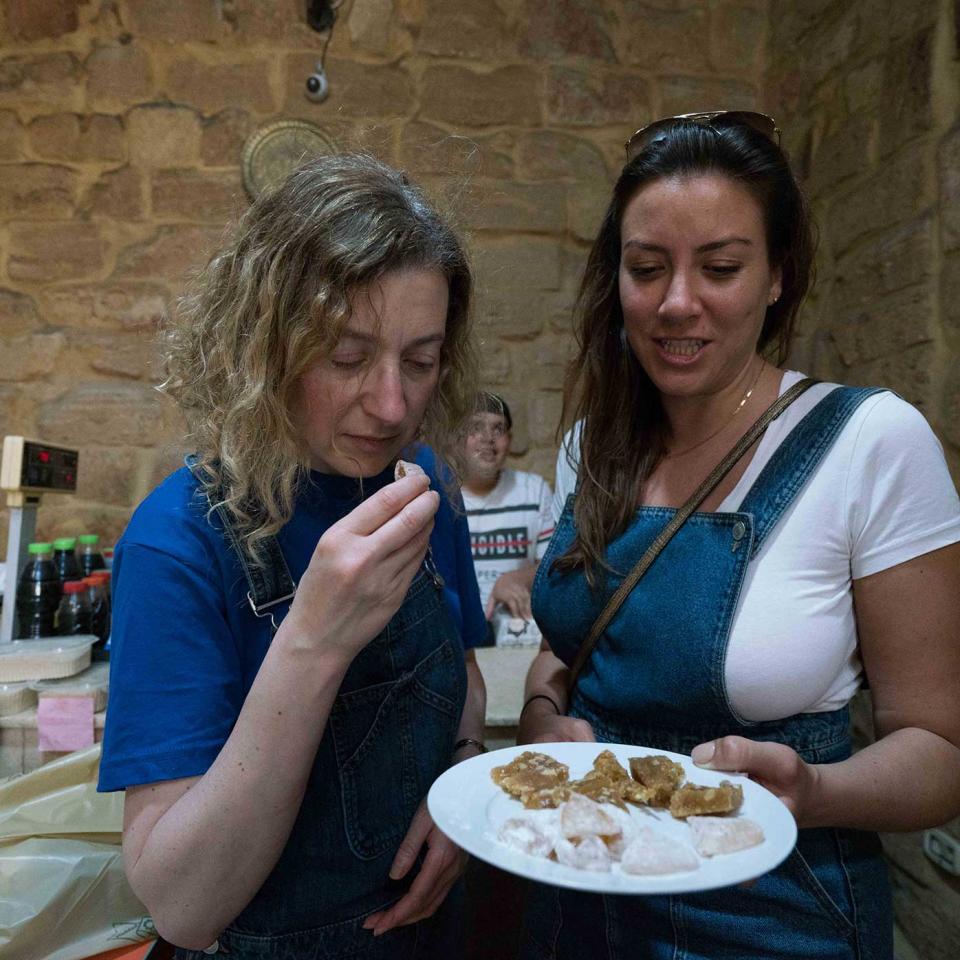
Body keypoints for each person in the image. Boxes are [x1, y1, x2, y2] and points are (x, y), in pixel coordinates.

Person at [518, 111, 960, 959]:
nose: (677, 302)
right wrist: (543, 715)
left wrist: (816, 790)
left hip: (774, 916)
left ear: (777, 277)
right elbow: (568, 646)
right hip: (582, 900)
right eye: (647, 269)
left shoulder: (870, 441)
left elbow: (939, 750)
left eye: (720, 267)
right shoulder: (593, 444)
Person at [97, 154, 489, 960]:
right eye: (346, 358)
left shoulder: (424, 485)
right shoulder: (178, 541)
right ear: (264, 347)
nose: (391, 404)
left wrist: (465, 775)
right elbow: (180, 903)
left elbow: (464, 679)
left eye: (420, 361)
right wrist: (313, 638)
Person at [461, 392, 553, 644]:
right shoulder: (441, 497)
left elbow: (555, 566)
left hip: (517, 633)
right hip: (458, 634)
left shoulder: (534, 491)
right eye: (476, 428)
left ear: (509, 440)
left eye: (498, 429)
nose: (488, 439)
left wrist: (516, 578)